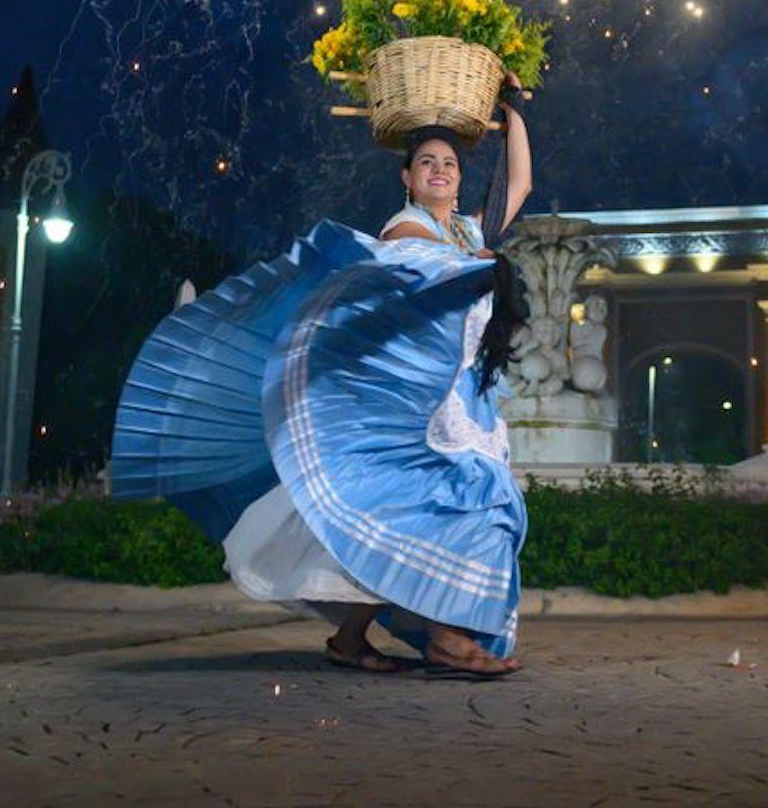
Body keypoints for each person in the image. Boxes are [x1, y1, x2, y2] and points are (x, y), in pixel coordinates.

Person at [111, 74, 534, 677]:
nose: (440, 170)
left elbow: (519, 183)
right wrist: (477, 264)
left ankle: (350, 638)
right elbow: (432, 272)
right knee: (453, 504)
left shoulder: (468, 231)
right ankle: (445, 637)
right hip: (406, 406)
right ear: (407, 178)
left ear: (460, 179)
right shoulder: (406, 228)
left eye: (449, 163)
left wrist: (511, 109)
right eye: (426, 163)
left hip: (456, 402)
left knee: (401, 515)